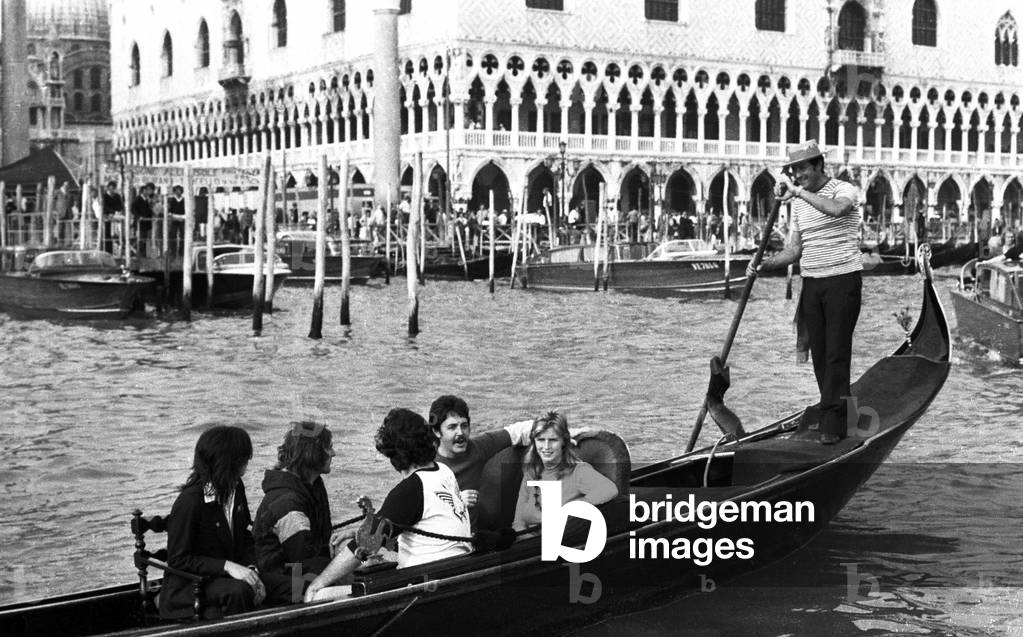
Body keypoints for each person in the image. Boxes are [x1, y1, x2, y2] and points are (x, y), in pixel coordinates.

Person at [747, 139, 862, 445]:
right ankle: (841, 413)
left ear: (818, 166)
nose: (798, 175)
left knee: (837, 352)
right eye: (794, 171)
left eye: (802, 169)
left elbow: (837, 210)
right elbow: (794, 250)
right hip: (812, 282)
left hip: (843, 279)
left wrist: (797, 192)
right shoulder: (799, 204)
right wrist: (764, 264)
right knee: (821, 355)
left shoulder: (843, 189)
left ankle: (832, 423)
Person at [303, 409, 472, 602]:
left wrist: (319, 583)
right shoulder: (444, 471)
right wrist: (361, 531)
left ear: (395, 454)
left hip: (423, 586)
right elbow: (426, 526)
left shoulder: (411, 488)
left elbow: (364, 546)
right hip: (453, 572)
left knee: (318, 594)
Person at [161, 425, 290, 619]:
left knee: (291, 586)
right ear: (228, 462)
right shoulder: (190, 502)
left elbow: (245, 537)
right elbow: (179, 560)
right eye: (244, 458)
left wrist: (252, 570)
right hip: (191, 586)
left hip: (230, 577)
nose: (248, 463)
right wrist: (227, 566)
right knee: (239, 591)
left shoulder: (236, 488)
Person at [253, 421, 337, 603]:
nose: (333, 453)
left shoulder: (314, 485)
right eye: (328, 447)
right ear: (311, 453)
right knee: (338, 568)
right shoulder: (287, 503)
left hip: (298, 568)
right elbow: (303, 557)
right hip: (281, 579)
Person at [511, 412, 618, 532]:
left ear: (563, 442)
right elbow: (518, 521)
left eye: (553, 440)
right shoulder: (531, 473)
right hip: (528, 541)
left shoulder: (577, 471)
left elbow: (609, 489)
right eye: (541, 440)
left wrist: (572, 507)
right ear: (534, 442)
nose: (546, 446)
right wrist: (522, 536)